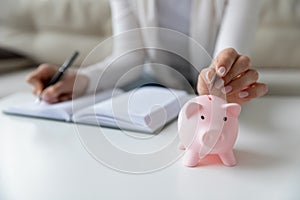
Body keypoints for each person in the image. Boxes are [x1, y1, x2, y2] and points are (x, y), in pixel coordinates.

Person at [27, 0, 268, 105]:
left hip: (211, 94)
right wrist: (79, 79)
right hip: (159, 86)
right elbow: (130, 56)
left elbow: (229, 53)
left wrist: (220, 77)